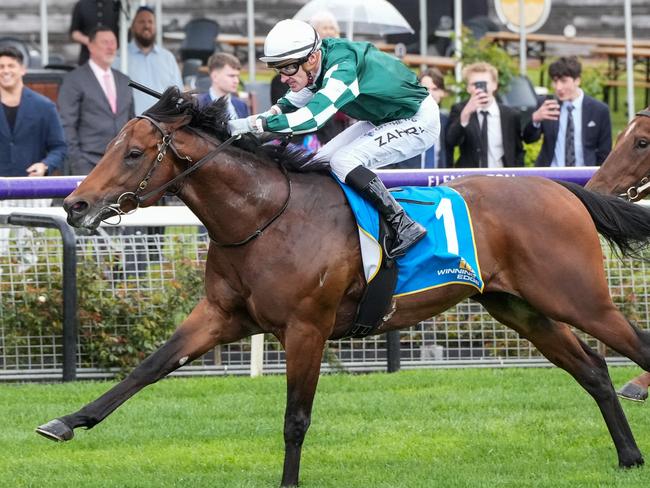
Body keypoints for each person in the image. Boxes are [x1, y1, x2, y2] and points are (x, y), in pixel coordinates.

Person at [227, 19, 439, 258]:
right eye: (279, 69)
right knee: (322, 161)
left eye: (287, 68)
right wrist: (254, 125)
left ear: (312, 59)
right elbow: (290, 103)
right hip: (382, 118)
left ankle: (403, 224)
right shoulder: (316, 62)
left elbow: (312, 118)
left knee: (344, 161)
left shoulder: (342, 68)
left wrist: (251, 123)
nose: (283, 77)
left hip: (419, 119)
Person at [58, 25, 134, 175]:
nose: (110, 47)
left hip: (122, 165)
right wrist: (78, 163)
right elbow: (66, 125)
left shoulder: (125, 80)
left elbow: (132, 122)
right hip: (88, 164)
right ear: (91, 46)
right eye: (105, 42)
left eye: (113, 42)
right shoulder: (73, 79)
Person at [523, 56, 612, 167]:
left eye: (564, 81)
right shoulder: (547, 104)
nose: (559, 87)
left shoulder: (599, 110)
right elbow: (529, 139)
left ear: (577, 80)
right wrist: (535, 119)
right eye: (555, 81)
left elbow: (605, 152)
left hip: (584, 177)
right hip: (551, 177)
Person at [447, 62, 530, 168]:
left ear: (495, 85)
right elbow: (451, 141)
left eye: (484, 83)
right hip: (471, 179)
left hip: (502, 177)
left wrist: (516, 177)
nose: (480, 89)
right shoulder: (460, 110)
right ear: (468, 88)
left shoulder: (510, 115)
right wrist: (465, 114)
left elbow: (518, 150)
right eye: (474, 84)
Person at [0, 46, 66, 177]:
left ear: (23, 69)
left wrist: (45, 165)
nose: (5, 70)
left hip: (33, 188)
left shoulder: (44, 106)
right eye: (1, 66)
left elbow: (59, 147)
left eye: (11, 65)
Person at [115, 5, 183, 116]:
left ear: (156, 27)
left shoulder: (167, 58)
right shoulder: (120, 56)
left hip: (161, 124)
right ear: (132, 27)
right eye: (141, 22)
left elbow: (177, 93)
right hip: (131, 124)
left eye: (150, 22)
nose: (146, 25)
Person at [388, 68, 449, 169]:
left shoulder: (445, 120)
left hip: (437, 181)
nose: (430, 94)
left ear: (442, 92)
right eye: (426, 89)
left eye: (435, 89)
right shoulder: (403, 118)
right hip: (407, 180)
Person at [196, 52, 249, 118]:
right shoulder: (199, 105)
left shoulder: (241, 105)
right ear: (215, 76)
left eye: (237, 76)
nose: (236, 81)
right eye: (231, 76)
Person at [69, 0, 120, 66]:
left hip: (113, 59)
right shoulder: (81, 5)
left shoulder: (117, 5)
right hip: (87, 58)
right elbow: (74, 32)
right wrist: (91, 41)